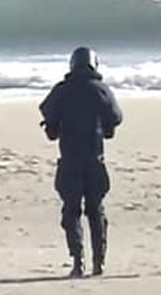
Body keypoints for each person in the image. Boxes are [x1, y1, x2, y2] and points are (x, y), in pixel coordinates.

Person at [39, 47, 123, 278]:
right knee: (96, 211)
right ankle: (99, 262)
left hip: (70, 161)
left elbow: (50, 124)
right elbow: (115, 119)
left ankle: (78, 261)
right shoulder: (101, 90)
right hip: (95, 160)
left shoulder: (62, 91)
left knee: (71, 212)